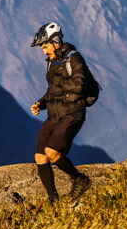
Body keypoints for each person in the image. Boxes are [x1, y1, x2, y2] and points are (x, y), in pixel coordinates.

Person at [30, 22, 91, 204]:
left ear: (56, 42)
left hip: (72, 113)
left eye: (45, 46)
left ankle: (80, 180)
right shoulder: (51, 62)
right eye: (41, 47)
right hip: (54, 114)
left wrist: (59, 80)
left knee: (52, 152)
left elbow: (80, 85)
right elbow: (52, 90)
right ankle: (53, 199)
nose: (43, 51)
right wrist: (40, 103)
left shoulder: (74, 59)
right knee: (40, 156)